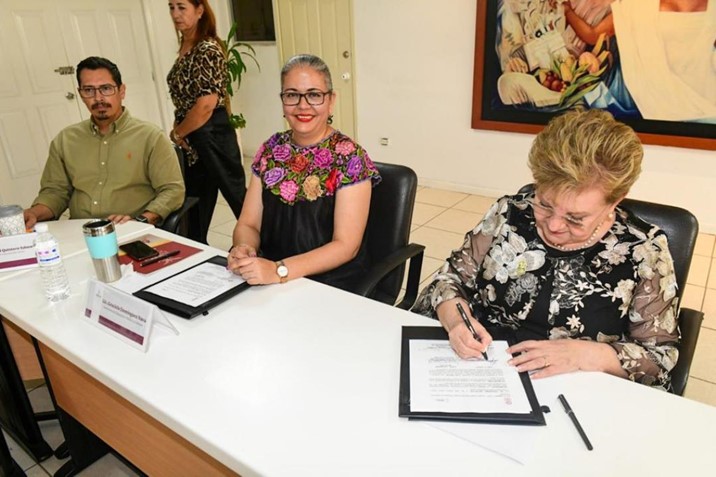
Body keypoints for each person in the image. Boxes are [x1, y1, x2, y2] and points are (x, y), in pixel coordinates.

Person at [412, 109, 680, 390]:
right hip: (483, 371)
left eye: (575, 218)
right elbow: (449, 280)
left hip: (576, 388)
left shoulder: (643, 251)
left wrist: (587, 354)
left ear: (615, 201)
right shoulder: (510, 213)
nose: (553, 225)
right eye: (544, 203)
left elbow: (659, 359)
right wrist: (456, 323)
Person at [227, 54, 381, 290]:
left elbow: (346, 246)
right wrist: (244, 248)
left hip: (328, 283)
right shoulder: (271, 149)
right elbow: (248, 224)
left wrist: (280, 270)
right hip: (269, 276)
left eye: (314, 95)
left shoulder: (349, 156)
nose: (302, 105)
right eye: (292, 95)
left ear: (331, 101)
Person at [24, 57, 185, 229]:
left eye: (106, 89)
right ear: (80, 94)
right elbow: (55, 192)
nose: (98, 98)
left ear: (121, 91)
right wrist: (33, 213)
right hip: (81, 233)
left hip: (131, 230)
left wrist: (141, 221)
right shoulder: (65, 140)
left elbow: (172, 191)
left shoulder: (150, 137)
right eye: (89, 90)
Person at [167, 0, 247, 244]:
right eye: (171, 7)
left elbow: (205, 105)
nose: (175, 14)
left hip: (212, 132)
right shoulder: (186, 46)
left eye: (182, 7)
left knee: (238, 199)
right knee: (195, 204)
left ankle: (271, 250)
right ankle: (195, 251)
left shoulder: (207, 48)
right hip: (193, 135)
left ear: (200, 10)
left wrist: (177, 133)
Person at [560, 0, 716, 121]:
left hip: (705, 105)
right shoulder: (640, 6)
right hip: (657, 104)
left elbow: (592, 36)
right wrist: (567, 11)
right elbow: (593, 35)